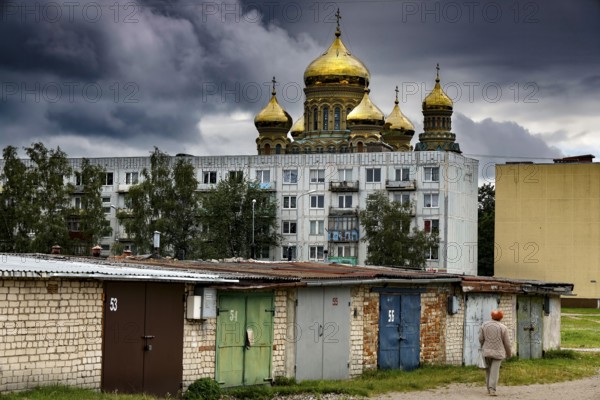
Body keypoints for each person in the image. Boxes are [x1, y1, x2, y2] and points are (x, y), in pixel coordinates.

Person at [479, 309, 512, 396]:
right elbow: (507, 343)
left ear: (492, 316)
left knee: (488, 371)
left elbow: (481, 339)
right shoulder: (503, 327)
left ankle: (488, 388)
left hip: (486, 351)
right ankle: (492, 390)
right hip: (498, 353)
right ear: (501, 318)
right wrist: (509, 354)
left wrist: (483, 346)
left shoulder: (484, 325)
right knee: (495, 371)